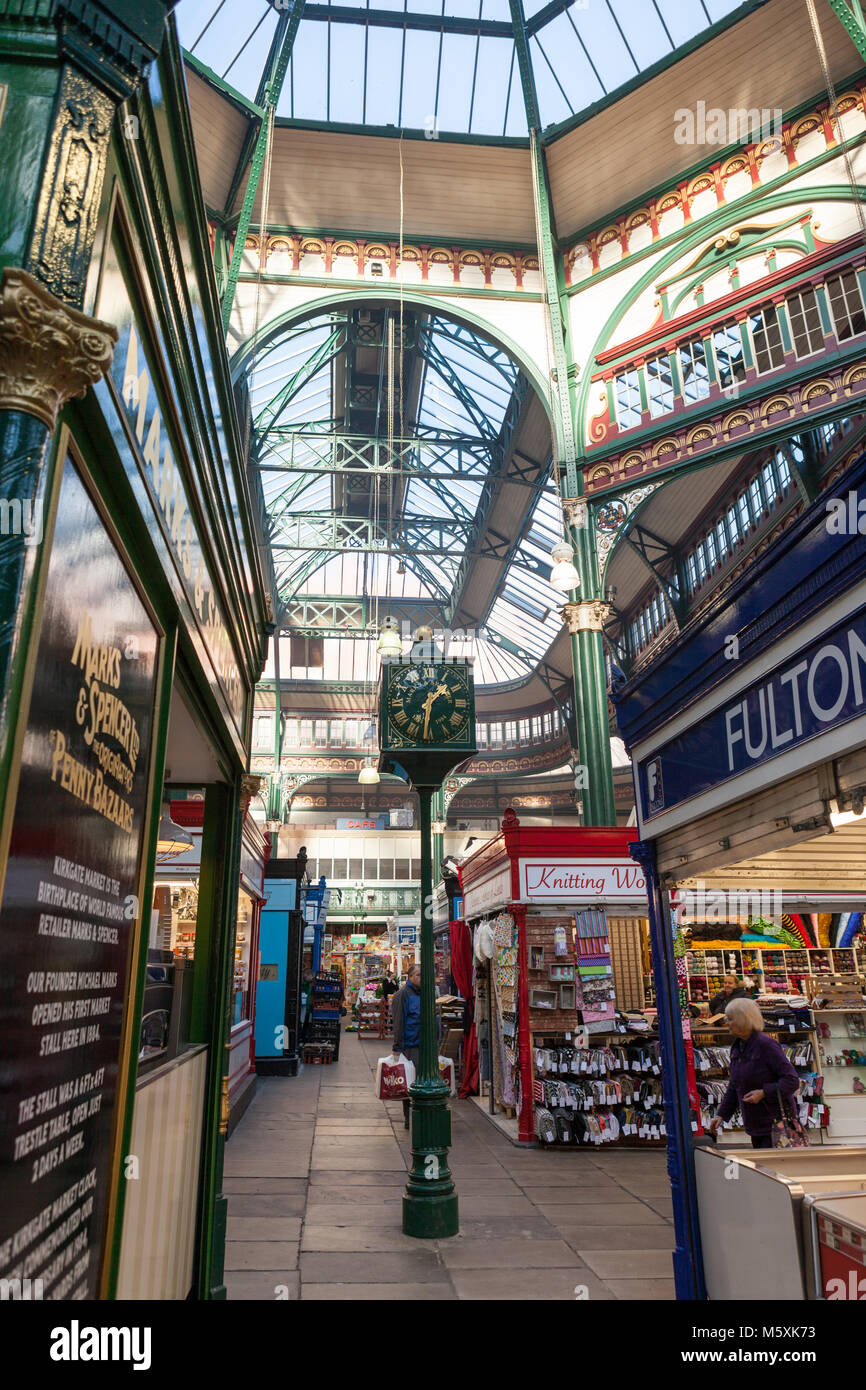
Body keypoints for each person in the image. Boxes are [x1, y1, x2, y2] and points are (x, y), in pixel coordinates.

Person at [708, 997, 800, 1149]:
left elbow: (791, 1080)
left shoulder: (766, 1045)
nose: (726, 1022)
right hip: (755, 1124)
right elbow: (734, 1085)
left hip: (776, 1125)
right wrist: (721, 1115)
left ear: (743, 1020)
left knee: (775, 1170)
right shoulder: (737, 1047)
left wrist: (764, 1092)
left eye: (730, 1019)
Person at [391, 963, 421, 1130]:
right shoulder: (402, 995)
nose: (421, 978)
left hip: (423, 1044)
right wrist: (397, 1047)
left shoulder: (424, 993)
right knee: (409, 1083)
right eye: (417, 975)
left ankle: (420, 1115)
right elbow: (399, 1022)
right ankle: (409, 1118)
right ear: (409, 977)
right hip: (409, 1046)